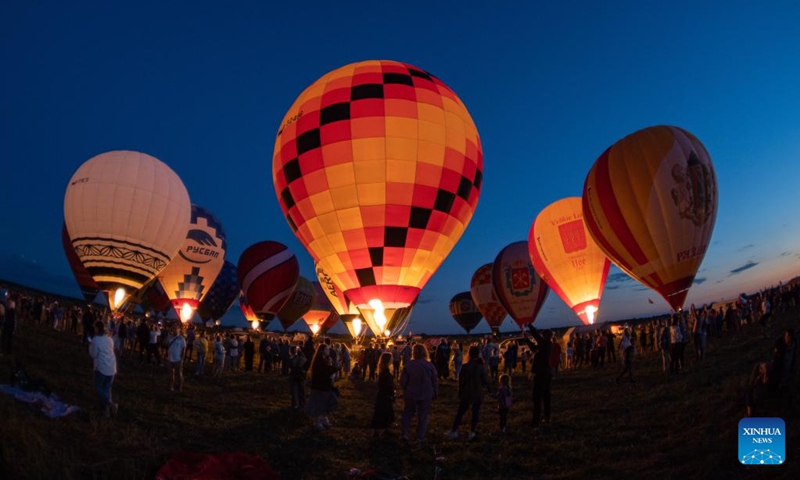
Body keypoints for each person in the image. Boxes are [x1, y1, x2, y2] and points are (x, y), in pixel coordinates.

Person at [444, 345, 491, 441]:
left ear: (468, 354)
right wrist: (490, 390)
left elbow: (461, 382)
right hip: (477, 392)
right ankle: (472, 432)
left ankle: (454, 430)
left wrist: (460, 392)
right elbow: (486, 380)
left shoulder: (465, 367)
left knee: (460, 412)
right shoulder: (480, 367)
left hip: (466, 392)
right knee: (475, 412)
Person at [400, 343, 438, 443]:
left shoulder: (409, 365)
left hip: (411, 393)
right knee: (423, 416)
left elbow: (403, 380)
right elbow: (434, 380)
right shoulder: (429, 365)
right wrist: (435, 391)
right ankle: (420, 437)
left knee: (407, 413)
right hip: (426, 394)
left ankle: (405, 433)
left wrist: (405, 389)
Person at [522, 325, 553, 427]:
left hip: (541, 374)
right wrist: (526, 339)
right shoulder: (547, 345)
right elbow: (534, 348)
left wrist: (529, 324)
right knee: (546, 396)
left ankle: (536, 421)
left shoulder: (545, 343)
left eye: (542, 335)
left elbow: (536, 336)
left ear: (544, 336)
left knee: (537, 397)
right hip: (547, 372)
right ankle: (547, 417)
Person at [306, 344, 339, 430]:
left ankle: (323, 417)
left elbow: (327, 371)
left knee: (327, 401)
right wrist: (334, 368)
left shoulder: (324, 360)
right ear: (322, 351)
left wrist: (332, 366)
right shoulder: (319, 361)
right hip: (320, 386)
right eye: (327, 349)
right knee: (319, 403)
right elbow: (325, 373)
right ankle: (317, 421)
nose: (328, 350)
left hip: (324, 385)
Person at [88, 321, 117, 418]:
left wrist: (90, 345)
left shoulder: (96, 340)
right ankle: (107, 412)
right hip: (112, 367)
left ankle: (110, 404)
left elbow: (93, 354)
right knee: (107, 389)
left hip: (102, 368)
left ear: (97, 328)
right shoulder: (110, 339)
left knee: (98, 387)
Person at [370, 352, 396, 437]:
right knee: (383, 413)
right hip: (385, 396)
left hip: (383, 395)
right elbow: (385, 385)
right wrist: (391, 393)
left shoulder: (383, 371)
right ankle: (379, 431)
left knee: (383, 412)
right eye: (391, 358)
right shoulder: (386, 372)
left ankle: (383, 430)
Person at [166, 325, 187, 393]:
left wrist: (182, 359)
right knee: (170, 374)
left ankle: (179, 388)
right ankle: (170, 387)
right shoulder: (170, 337)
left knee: (179, 374)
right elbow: (164, 343)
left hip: (178, 359)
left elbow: (184, 349)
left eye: (175, 329)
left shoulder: (181, 339)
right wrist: (167, 336)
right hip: (170, 359)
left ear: (179, 330)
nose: (174, 330)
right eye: (173, 329)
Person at [289, 345, 307, 409]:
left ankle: (295, 405)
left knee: (294, 391)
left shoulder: (292, 358)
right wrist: (300, 352)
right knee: (301, 391)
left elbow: (291, 364)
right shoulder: (300, 358)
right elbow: (305, 359)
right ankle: (302, 404)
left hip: (293, 376)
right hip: (301, 376)